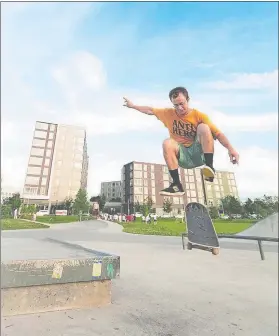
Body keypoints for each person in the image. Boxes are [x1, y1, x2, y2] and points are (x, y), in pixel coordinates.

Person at [123, 86, 239, 196]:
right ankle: (176, 185)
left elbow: (218, 134)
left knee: (204, 127)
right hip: (182, 156)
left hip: (198, 153)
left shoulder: (199, 115)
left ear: (188, 100)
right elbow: (150, 110)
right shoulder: (168, 113)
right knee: (167, 143)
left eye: (182, 104)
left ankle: (209, 168)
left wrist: (231, 149)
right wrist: (133, 106)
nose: (179, 108)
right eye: (176, 105)